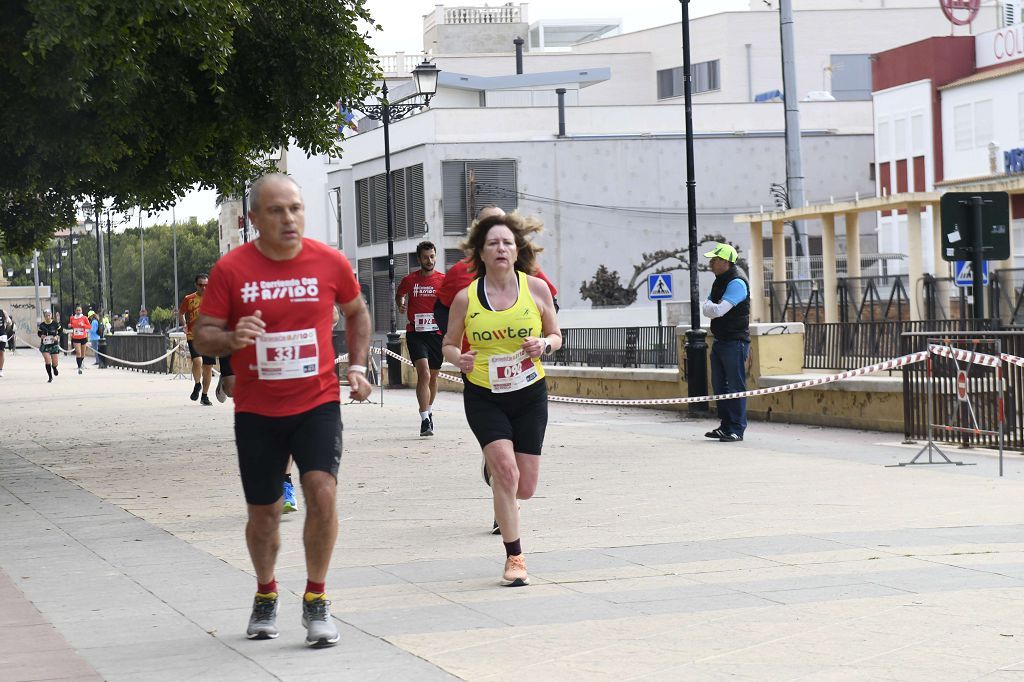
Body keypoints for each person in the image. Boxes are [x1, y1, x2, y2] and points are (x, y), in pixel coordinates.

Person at [194, 172, 372, 647]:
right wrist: (232, 339)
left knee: (322, 491)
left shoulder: (328, 262)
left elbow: (357, 312)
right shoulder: (232, 269)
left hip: (316, 402)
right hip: (257, 410)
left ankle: (316, 599)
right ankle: (266, 592)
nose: (289, 218)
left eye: (295, 208)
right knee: (265, 515)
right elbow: (202, 334)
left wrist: (356, 366)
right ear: (254, 219)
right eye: (276, 210)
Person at [442, 212, 562, 588]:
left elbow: (557, 335)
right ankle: (514, 556)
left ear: (517, 250)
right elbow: (447, 342)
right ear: (480, 251)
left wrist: (543, 344)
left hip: (528, 394)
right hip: (484, 395)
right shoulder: (466, 298)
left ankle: (494, 472)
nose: (500, 248)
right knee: (507, 475)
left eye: (507, 242)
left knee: (524, 486)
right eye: (493, 243)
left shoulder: (537, 289)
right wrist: (456, 357)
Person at [701, 243, 750, 443]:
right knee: (720, 385)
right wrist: (712, 307)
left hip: (734, 341)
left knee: (735, 386)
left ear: (725, 262)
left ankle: (737, 428)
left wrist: (712, 307)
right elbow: (706, 308)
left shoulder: (737, 282)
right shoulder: (719, 281)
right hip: (721, 340)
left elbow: (719, 310)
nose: (711, 263)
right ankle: (725, 426)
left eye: (714, 259)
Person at [396, 240, 446, 436]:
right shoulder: (410, 280)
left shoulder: (443, 279)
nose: (429, 260)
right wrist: (401, 304)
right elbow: (400, 294)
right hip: (416, 333)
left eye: (432, 256)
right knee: (424, 373)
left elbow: (452, 302)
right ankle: (424, 419)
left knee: (433, 377)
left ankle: (429, 410)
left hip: (436, 334)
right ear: (419, 259)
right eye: (425, 257)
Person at [180, 274, 215, 405]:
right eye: (201, 285)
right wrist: (184, 324)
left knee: (208, 367)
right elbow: (181, 312)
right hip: (193, 335)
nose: (204, 288)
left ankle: (204, 396)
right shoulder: (189, 299)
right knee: (197, 361)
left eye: (206, 285)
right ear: (196, 285)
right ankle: (197, 384)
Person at [38, 310, 63, 383]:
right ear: (44, 316)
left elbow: (61, 331)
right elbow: (39, 333)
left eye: (49, 315)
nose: (48, 317)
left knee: (55, 363)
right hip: (45, 345)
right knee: (47, 360)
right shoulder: (42, 325)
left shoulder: (55, 324)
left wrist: (57, 337)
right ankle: (50, 377)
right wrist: (41, 336)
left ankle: (54, 368)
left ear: (51, 315)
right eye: (46, 316)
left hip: (54, 344)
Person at [68, 305, 90, 373]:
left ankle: (81, 363)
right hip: (75, 337)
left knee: (83, 354)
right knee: (78, 352)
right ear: (75, 311)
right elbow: (70, 324)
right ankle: (79, 367)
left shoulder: (84, 318)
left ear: (81, 311)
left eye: (79, 310)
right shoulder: (72, 318)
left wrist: (83, 325)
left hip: (83, 337)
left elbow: (89, 327)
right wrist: (70, 325)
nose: (78, 311)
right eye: (77, 310)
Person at [0, 307, 9, 377]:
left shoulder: (3, 312)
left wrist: (7, 321)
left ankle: (0, 370)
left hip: (2, 335)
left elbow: (9, 322)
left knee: (1, 352)